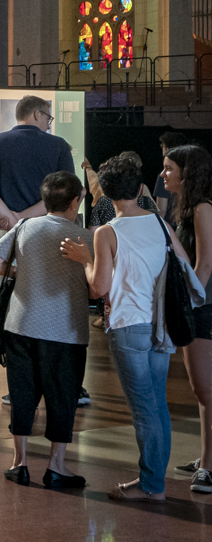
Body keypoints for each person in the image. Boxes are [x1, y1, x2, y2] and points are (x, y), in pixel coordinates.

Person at [62, 153, 195, 500]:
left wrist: (86, 260)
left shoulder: (107, 232)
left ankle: (152, 486)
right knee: (157, 404)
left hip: (128, 325)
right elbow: (184, 263)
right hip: (161, 324)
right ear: (140, 189)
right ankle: (155, 481)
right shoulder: (160, 223)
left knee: (143, 408)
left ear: (105, 193)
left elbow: (99, 287)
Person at [0, 171, 90, 489]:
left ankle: (20, 464)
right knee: (62, 398)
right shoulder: (82, 237)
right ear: (75, 200)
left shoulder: (26, 226)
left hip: (21, 325)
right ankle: (57, 467)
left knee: (22, 395)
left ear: (44, 201)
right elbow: (97, 284)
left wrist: (19, 271)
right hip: (67, 331)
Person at [160, 144, 212, 494]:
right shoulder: (189, 207)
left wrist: (188, 305)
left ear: (186, 172)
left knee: (204, 388)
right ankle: (207, 456)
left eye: (168, 168)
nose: (163, 174)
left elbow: (205, 264)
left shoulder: (202, 208)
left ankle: (209, 465)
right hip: (199, 304)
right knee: (202, 389)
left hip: (204, 306)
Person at [0, 95, 77, 230]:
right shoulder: (59, 145)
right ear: (37, 114)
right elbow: (65, 191)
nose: (48, 125)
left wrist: (14, 222)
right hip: (46, 231)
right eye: (48, 118)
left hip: (5, 230)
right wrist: (21, 217)